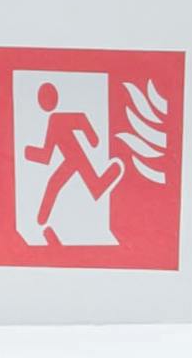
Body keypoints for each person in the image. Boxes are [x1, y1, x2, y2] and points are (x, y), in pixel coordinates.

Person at [23, 79, 123, 247]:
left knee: (56, 184)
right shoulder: (56, 120)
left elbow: (80, 120)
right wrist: (30, 152)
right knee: (66, 184)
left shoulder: (56, 120)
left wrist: (93, 138)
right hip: (73, 159)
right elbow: (47, 155)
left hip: (75, 158)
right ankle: (41, 218)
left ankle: (42, 217)